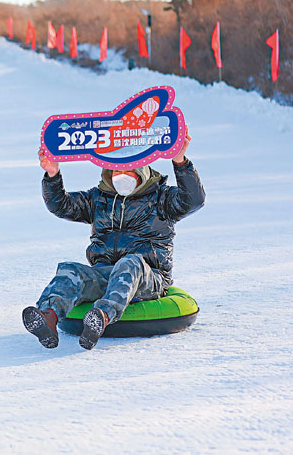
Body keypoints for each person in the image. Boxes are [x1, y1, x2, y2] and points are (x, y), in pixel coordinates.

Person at [23, 131, 205, 350]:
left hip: (148, 277)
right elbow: (61, 205)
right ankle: (49, 317)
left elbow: (194, 200)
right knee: (70, 270)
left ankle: (101, 317)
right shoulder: (98, 199)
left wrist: (180, 161)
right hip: (105, 273)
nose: (121, 174)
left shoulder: (161, 199)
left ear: (141, 168)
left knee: (130, 263)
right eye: (116, 168)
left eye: (128, 168)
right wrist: (53, 174)